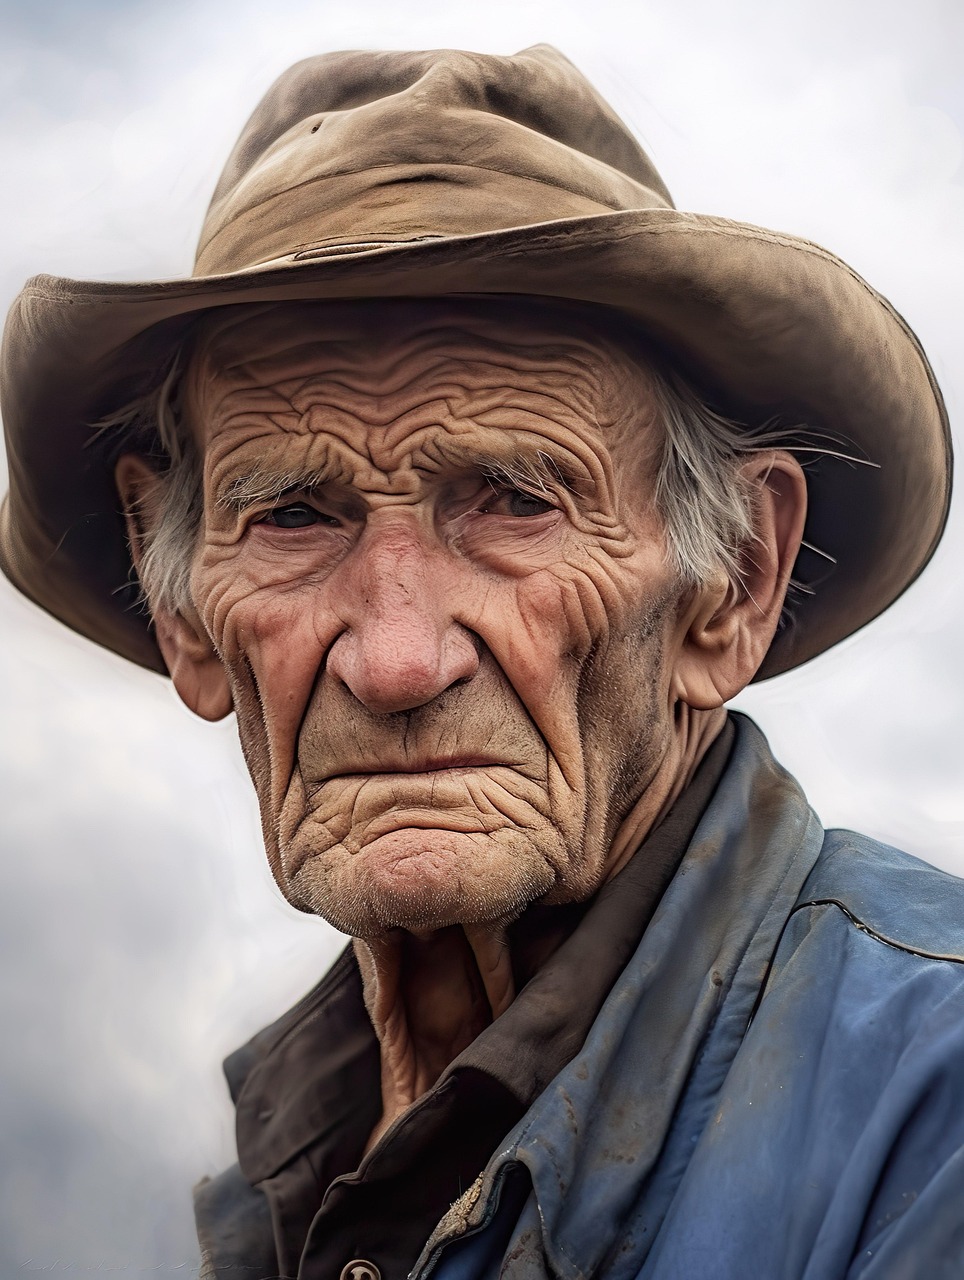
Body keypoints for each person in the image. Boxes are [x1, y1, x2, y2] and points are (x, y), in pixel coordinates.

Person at [1, 42, 960, 1280]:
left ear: (730, 588)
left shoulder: (928, 1103)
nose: (398, 660)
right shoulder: (286, 1171)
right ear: (181, 609)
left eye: (513, 500)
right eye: (295, 516)